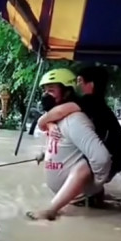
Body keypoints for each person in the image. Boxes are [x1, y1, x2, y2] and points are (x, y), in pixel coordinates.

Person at [34, 66, 121, 206]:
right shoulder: (90, 105)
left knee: (84, 167)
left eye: (80, 81)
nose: (77, 85)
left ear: (90, 85)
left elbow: (60, 111)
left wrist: (42, 121)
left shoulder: (89, 102)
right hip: (118, 150)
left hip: (116, 152)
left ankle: (52, 210)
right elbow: (74, 143)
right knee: (88, 161)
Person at [26, 69, 112, 221]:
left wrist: (94, 186)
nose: (46, 95)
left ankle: (51, 210)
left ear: (66, 93)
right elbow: (68, 146)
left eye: (51, 90)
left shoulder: (75, 120)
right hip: (71, 205)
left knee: (84, 166)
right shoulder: (56, 119)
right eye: (45, 90)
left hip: (81, 209)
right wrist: (46, 154)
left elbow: (101, 159)